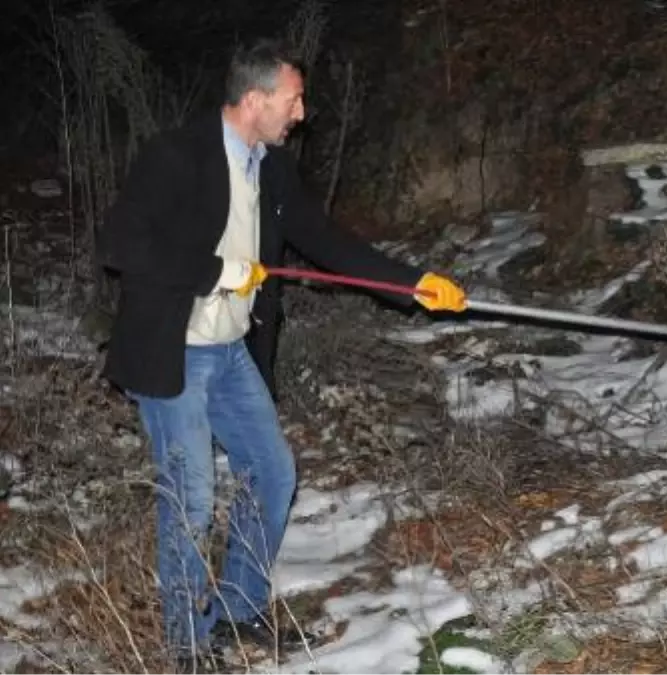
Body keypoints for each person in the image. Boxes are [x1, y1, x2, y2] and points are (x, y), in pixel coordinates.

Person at [99, 38, 468, 669]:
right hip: (173, 351)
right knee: (190, 502)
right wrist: (215, 270)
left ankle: (238, 615)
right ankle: (186, 646)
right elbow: (119, 245)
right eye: (294, 100)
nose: (302, 113)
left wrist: (413, 284)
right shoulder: (177, 157)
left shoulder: (271, 166)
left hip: (231, 350)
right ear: (255, 99)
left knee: (272, 474)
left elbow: (324, 239)